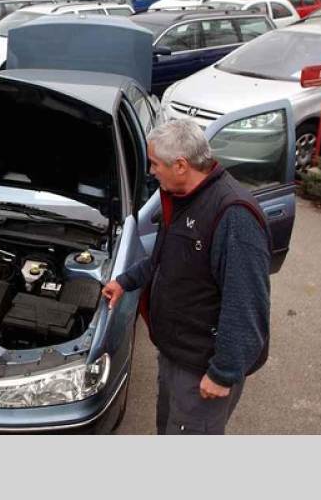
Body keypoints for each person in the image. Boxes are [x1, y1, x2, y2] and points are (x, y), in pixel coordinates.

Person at [102, 119, 271, 435]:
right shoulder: (182, 197)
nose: (151, 172)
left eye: (154, 164)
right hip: (175, 353)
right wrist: (125, 282)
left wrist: (224, 372)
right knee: (168, 428)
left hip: (202, 367)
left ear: (180, 165)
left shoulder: (233, 215)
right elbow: (164, 259)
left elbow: (246, 304)